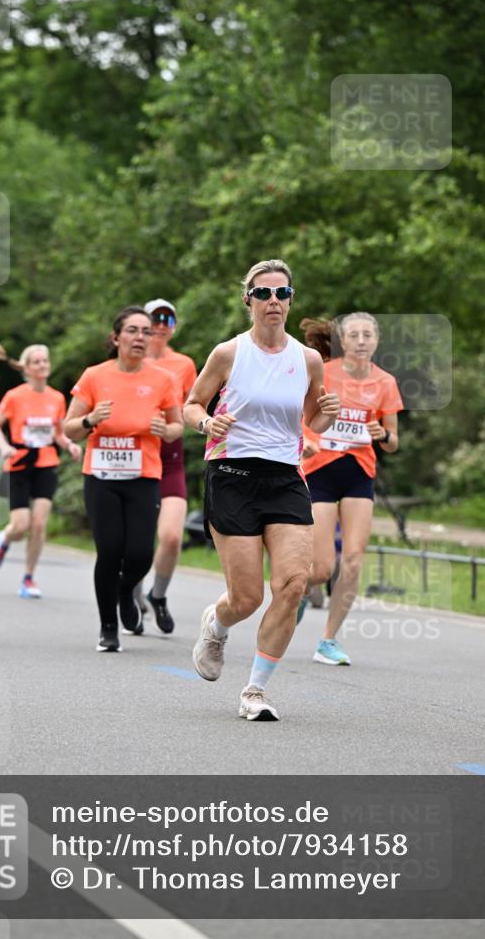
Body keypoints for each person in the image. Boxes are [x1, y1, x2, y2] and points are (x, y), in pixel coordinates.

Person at [184, 260, 340, 721]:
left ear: (291, 300)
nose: (273, 300)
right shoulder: (228, 353)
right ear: (248, 300)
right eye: (263, 293)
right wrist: (208, 422)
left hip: (285, 476)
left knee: (293, 584)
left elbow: (312, 422)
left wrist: (326, 414)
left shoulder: (308, 360)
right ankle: (217, 621)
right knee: (247, 598)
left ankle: (255, 691)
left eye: (282, 292)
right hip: (231, 474)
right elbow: (191, 404)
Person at [64, 306, 183, 653]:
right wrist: (89, 420)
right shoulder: (94, 376)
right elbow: (68, 426)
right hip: (101, 476)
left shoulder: (162, 379)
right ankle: (108, 628)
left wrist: (166, 429)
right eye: (132, 330)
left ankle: (125, 592)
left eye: (146, 332)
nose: (140, 337)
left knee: (141, 554)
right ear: (116, 338)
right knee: (110, 549)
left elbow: (177, 427)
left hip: (143, 475)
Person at [302, 312, 403, 665]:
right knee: (320, 568)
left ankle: (328, 640)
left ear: (376, 341)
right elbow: (300, 416)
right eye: (354, 335)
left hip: (360, 472)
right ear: (342, 341)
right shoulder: (323, 373)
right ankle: (297, 594)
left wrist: (383, 435)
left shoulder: (386, 382)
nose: (361, 340)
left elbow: (392, 442)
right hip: (319, 470)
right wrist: (307, 440)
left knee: (355, 560)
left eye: (368, 335)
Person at [0, 342, 82, 598]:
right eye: (37, 361)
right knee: (20, 526)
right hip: (18, 464)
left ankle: (28, 578)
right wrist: (4, 447)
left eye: (45, 361)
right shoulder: (15, 396)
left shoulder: (57, 398)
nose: (42, 365)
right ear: (26, 368)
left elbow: (58, 433)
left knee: (38, 525)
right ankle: (4, 539)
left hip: (46, 465)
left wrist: (70, 445)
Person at [131, 297, 197, 633]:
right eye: (154, 318)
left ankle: (158, 595)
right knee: (138, 537)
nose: (160, 325)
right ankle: (133, 594)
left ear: (173, 327)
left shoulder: (184, 364)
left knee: (171, 537)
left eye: (167, 319)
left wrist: (184, 422)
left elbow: (191, 408)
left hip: (169, 456)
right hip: (136, 455)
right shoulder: (129, 362)